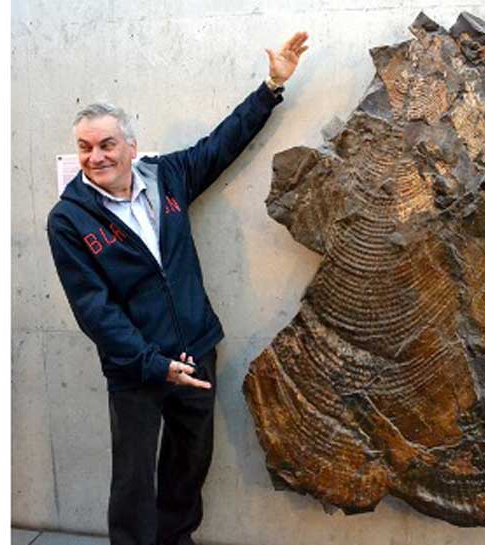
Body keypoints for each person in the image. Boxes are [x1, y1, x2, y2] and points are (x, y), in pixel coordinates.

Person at [47, 31, 309, 545]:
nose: (95, 157)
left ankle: (177, 539)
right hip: (137, 368)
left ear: (130, 146)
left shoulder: (168, 176)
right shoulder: (68, 219)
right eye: (84, 147)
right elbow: (93, 309)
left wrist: (271, 86)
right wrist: (150, 362)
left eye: (105, 145)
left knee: (190, 466)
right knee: (133, 481)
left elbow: (221, 144)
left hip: (196, 351)